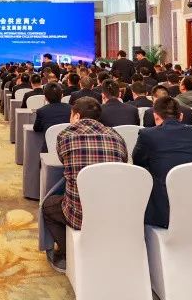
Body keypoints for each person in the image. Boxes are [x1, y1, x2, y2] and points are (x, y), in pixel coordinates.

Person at [41, 97, 128, 272]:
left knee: (48, 206)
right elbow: (123, 161)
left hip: (79, 214)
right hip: (114, 211)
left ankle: (66, 253)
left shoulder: (65, 135)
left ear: (76, 116)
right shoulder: (116, 136)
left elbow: (64, 161)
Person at [133, 95, 192, 228]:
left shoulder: (147, 135)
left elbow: (138, 162)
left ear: (156, 116)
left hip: (164, 212)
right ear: (181, 116)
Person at [32, 82, 71, 152]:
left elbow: (36, 128)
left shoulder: (41, 111)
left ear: (45, 98)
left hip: (48, 149)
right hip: (68, 147)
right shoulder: (71, 109)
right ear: (62, 96)